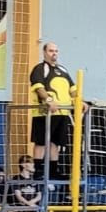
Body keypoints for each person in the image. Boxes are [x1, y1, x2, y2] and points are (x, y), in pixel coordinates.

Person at [29, 40, 76, 176]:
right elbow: (38, 87)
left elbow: (73, 89)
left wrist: (80, 101)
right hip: (44, 113)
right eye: (51, 51)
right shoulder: (40, 68)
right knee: (41, 141)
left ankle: (53, 171)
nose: (54, 53)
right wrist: (49, 100)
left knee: (56, 142)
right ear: (44, 52)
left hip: (62, 112)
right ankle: (38, 171)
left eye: (56, 51)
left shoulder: (63, 70)